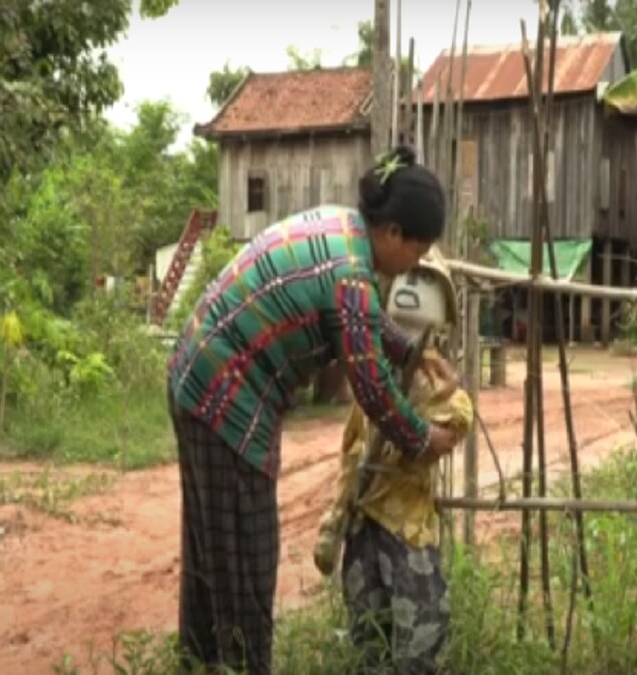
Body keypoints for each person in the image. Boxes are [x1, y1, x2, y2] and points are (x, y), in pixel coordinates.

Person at [166, 145, 461, 674]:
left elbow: (364, 326)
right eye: (416, 253)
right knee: (246, 562)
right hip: (227, 399)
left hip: (195, 374)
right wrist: (423, 439)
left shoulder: (342, 227)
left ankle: (199, 662)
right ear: (393, 233)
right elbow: (372, 391)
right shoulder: (353, 275)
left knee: (211, 549)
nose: (412, 266)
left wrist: (417, 356)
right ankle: (240, 666)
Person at [313, 253, 474, 674]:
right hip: (364, 523)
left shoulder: (441, 384)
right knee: (369, 640)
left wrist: (413, 419)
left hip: (407, 531)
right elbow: (351, 452)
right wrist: (335, 517)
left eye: (425, 280)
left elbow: (443, 433)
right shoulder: (371, 372)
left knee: (419, 641)